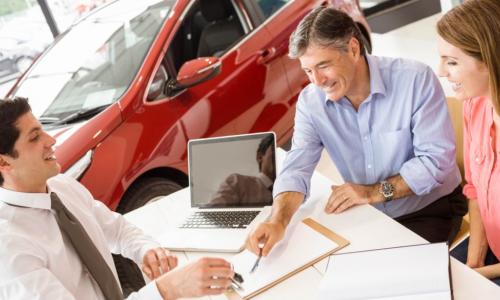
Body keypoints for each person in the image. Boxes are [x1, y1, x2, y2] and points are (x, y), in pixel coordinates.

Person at [246, 7, 467, 257]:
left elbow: (435, 163)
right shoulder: (311, 102)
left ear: (353, 49)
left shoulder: (416, 79)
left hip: (429, 208)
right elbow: (297, 167)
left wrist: (371, 192)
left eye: (323, 65)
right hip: (368, 211)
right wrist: (278, 220)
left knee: (393, 282)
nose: (317, 81)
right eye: (308, 71)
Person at [0, 97, 234, 299]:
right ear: (4, 162)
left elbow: (117, 230)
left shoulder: (62, 187)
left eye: (43, 130)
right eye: (34, 137)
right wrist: (167, 290)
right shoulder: (8, 247)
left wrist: (147, 251)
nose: (51, 141)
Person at [437, 0, 500, 285]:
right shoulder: (474, 105)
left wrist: (480, 275)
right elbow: (474, 189)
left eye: (452, 62)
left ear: (487, 61)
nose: (441, 71)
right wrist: (475, 251)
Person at [208, 134, 275, 207]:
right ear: (260, 157)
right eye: (274, 150)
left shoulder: (285, 190)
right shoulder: (237, 182)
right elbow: (212, 212)